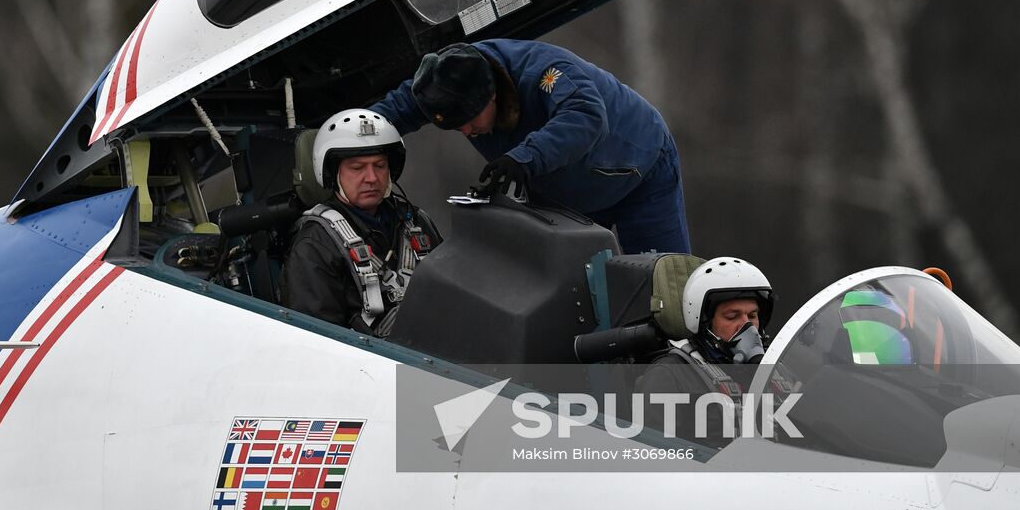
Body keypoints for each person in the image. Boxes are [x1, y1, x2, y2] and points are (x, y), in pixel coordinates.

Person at [369, 39, 688, 254]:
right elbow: (396, 109)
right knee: (569, 301)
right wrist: (354, 138)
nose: (468, 131)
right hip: (570, 202)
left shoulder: (544, 72)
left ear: (491, 94)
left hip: (640, 172)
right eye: (457, 127)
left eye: (469, 120)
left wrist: (524, 158)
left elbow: (586, 115)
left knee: (662, 288)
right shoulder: (446, 80)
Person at [282, 110, 440, 336]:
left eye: (380, 165)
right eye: (357, 168)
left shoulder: (414, 221)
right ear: (332, 173)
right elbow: (319, 339)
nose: (372, 178)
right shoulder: (315, 245)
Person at [634, 256, 776, 444]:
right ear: (704, 322)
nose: (747, 326)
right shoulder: (671, 376)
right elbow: (656, 459)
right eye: (732, 316)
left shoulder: (778, 370)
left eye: (752, 315)